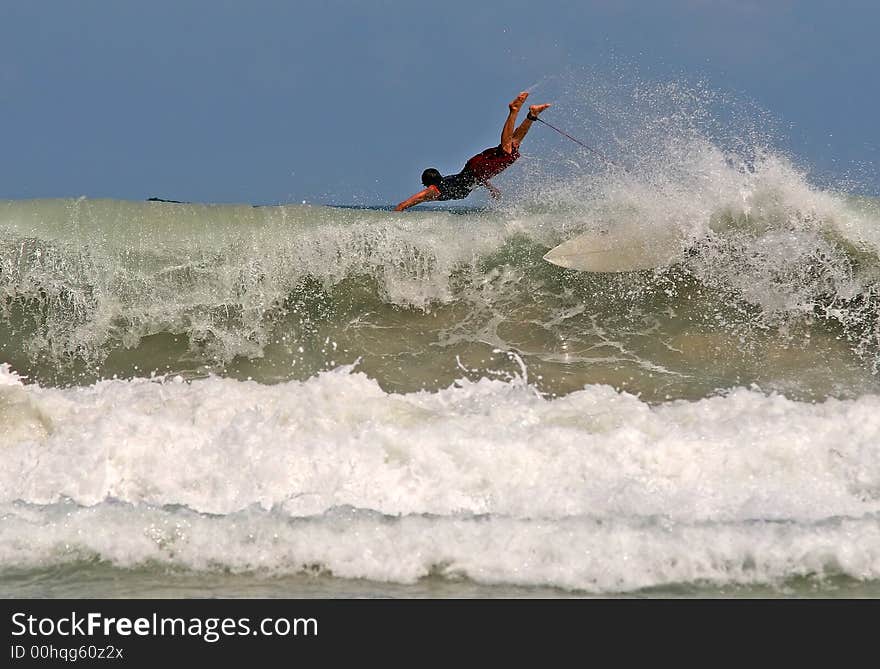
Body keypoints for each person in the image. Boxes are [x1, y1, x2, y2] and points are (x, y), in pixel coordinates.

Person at [394, 91, 551, 211]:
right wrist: (492, 189)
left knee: (506, 150)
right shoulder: (448, 181)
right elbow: (473, 180)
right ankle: (532, 115)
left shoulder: (433, 191)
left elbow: (404, 204)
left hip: (476, 168)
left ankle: (514, 111)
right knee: (513, 145)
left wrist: (396, 215)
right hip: (474, 168)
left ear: (426, 184)